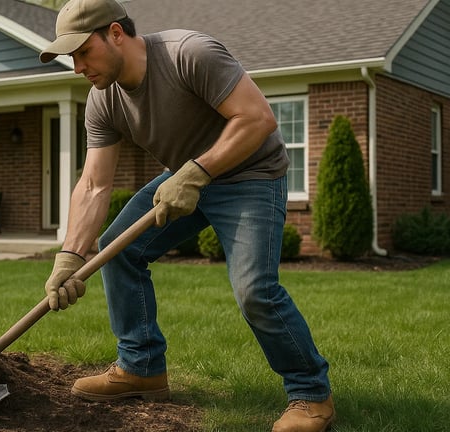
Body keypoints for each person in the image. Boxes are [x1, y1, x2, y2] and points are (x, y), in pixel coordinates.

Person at [38, 0, 334, 431]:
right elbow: (93, 184)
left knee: (255, 290)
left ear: (116, 33)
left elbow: (257, 118)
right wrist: (70, 255)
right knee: (118, 250)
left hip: (251, 175)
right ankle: (141, 368)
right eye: (71, 58)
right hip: (182, 179)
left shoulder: (188, 54)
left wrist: (197, 171)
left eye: (83, 52)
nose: (79, 66)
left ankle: (310, 394)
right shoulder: (103, 101)